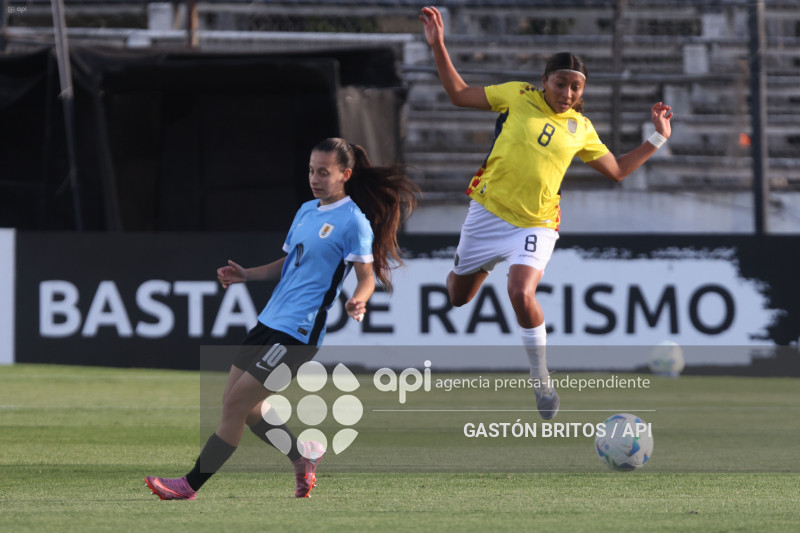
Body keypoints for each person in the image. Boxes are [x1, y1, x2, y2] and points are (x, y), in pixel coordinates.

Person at [419, 6, 673, 419]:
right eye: (561, 84)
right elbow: (458, 94)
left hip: (537, 222)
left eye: (575, 87)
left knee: (520, 291)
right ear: (544, 82)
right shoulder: (517, 95)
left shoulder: (582, 128)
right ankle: (471, 268)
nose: (568, 93)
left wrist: (656, 139)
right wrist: (439, 46)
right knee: (457, 297)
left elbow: (617, 171)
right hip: (486, 213)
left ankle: (541, 379)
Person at [145, 137, 419, 500]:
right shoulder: (306, 211)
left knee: (235, 405)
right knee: (245, 404)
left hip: (297, 333)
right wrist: (247, 275)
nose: (315, 178)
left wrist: (358, 299)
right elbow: (289, 263)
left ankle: (189, 485)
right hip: (269, 321)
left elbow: (367, 276)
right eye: (311, 170)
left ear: (345, 174)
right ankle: (303, 456)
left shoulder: (354, 222)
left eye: (324, 172)